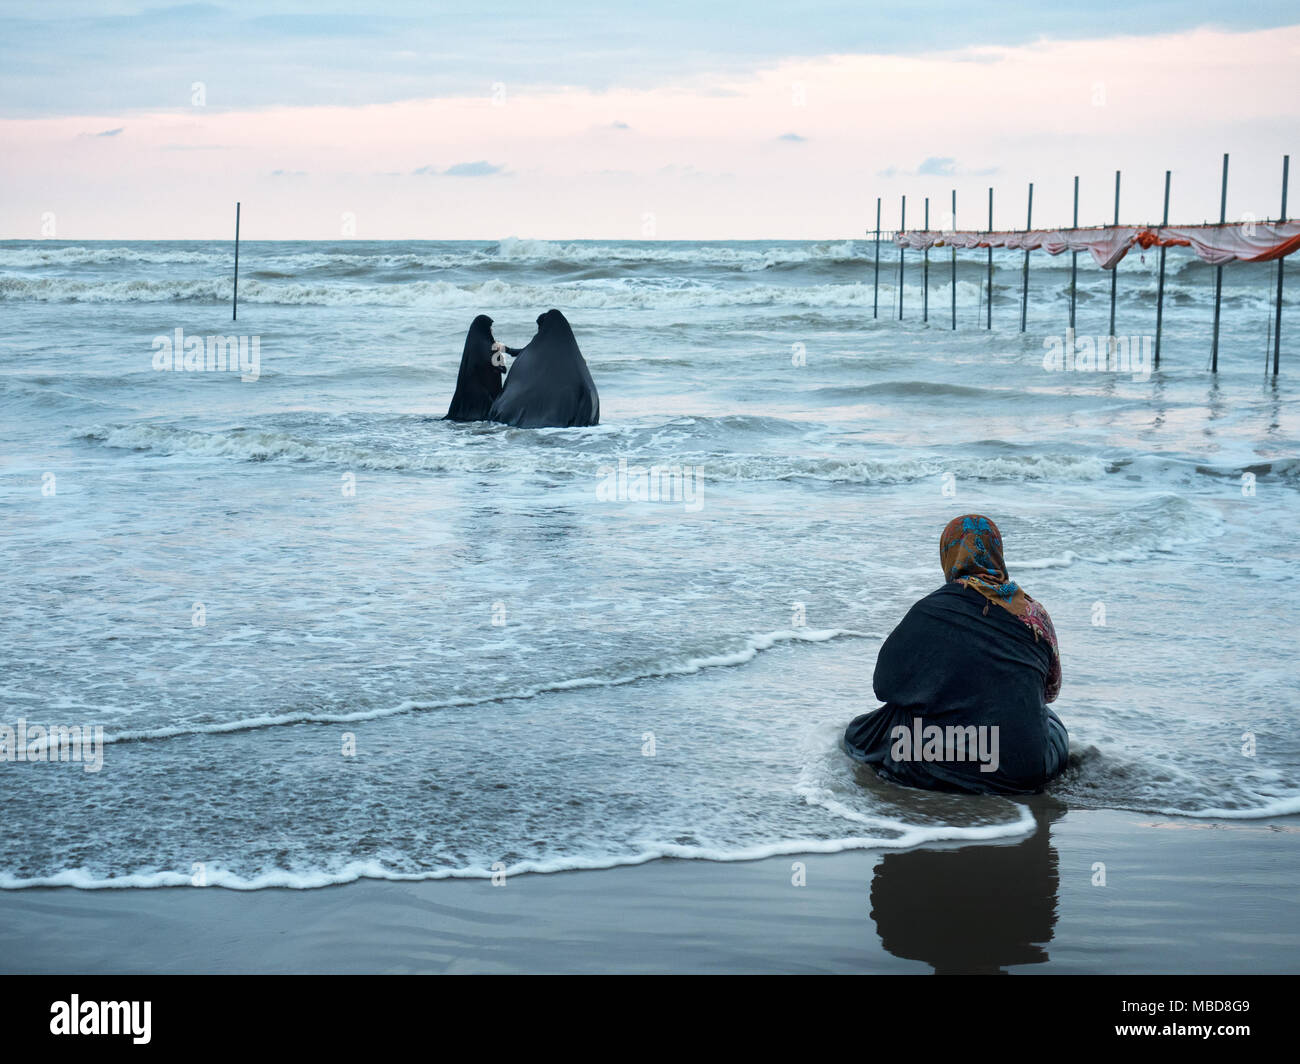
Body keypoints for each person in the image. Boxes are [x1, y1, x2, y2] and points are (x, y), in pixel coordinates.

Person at [842, 514, 1068, 795]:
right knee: (1051, 722)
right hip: (1021, 772)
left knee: (865, 730)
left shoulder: (928, 611)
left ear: (948, 554)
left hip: (933, 759)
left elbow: (884, 685)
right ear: (997, 552)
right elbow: (1049, 692)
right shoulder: (1035, 615)